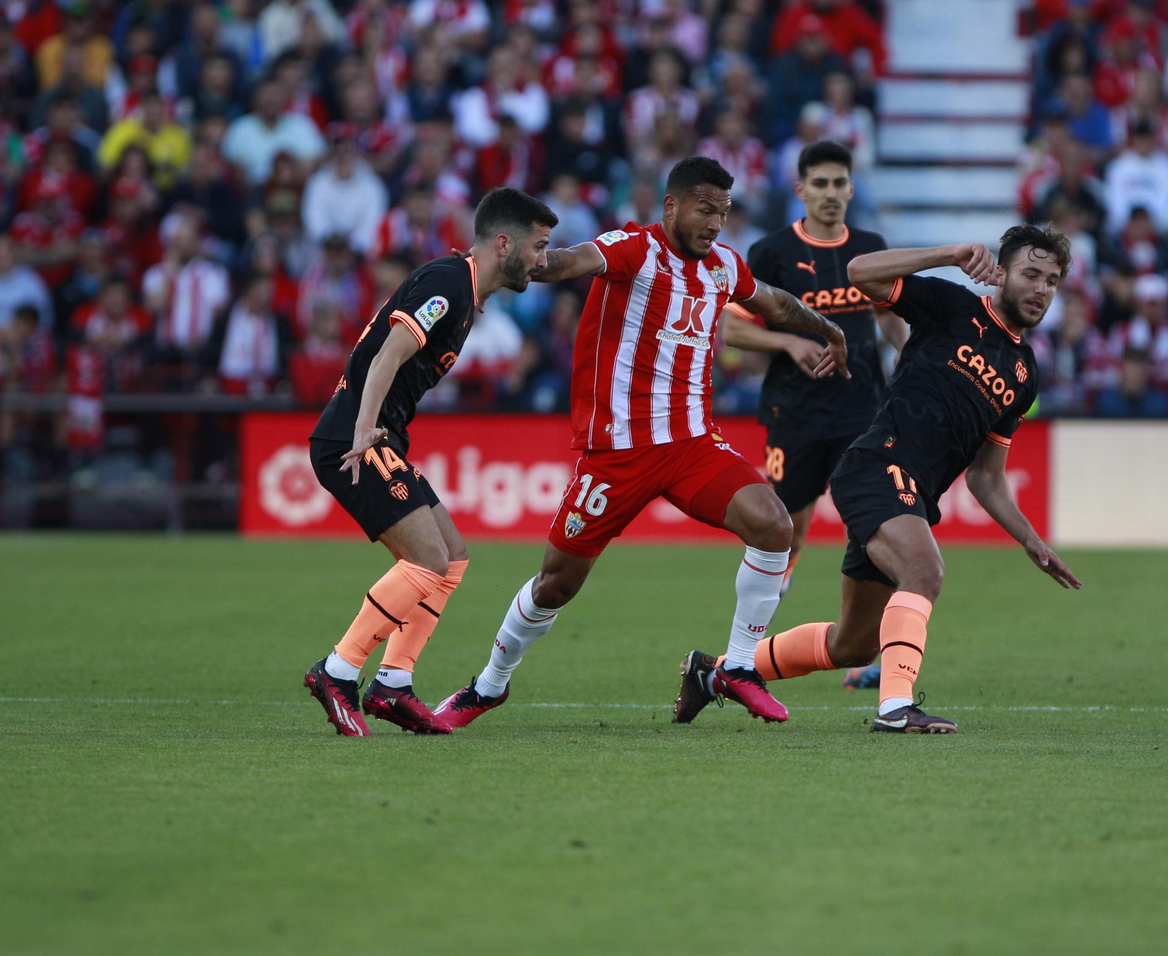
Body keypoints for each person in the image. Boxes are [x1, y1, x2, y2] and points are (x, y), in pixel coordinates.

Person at [436, 156, 850, 729]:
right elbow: (571, 261)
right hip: (616, 453)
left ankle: (737, 668)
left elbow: (774, 302)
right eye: (706, 210)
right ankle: (488, 686)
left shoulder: (725, 267)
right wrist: (521, 262)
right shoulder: (634, 248)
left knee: (775, 526)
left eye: (724, 213)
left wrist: (828, 329)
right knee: (556, 583)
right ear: (672, 206)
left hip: (691, 445)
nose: (715, 224)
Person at [678, 227, 1082, 734]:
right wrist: (947, 255)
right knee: (925, 572)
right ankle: (895, 708)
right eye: (1031, 274)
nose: (1041, 288)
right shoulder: (953, 305)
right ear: (1000, 273)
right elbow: (859, 273)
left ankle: (713, 674)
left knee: (853, 644)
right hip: (877, 465)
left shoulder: (1025, 374)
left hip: (909, 493)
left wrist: (1031, 541)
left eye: (1052, 280)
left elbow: (986, 478)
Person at [302, 187, 559, 738]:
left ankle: (393, 684)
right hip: (357, 437)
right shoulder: (447, 283)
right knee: (426, 560)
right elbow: (390, 351)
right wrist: (367, 429)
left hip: (379, 436)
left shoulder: (467, 297)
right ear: (502, 243)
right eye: (538, 247)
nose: (543, 261)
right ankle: (338, 672)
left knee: (452, 557)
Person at [719, 139, 903, 617]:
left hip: (863, 407)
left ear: (851, 188)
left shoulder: (869, 249)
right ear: (801, 189)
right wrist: (789, 341)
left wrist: (911, 357)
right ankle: (755, 632)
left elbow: (887, 318)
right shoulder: (772, 252)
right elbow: (729, 325)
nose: (830, 192)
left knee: (873, 522)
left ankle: (870, 640)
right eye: (820, 183)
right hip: (795, 410)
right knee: (788, 528)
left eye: (839, 182)